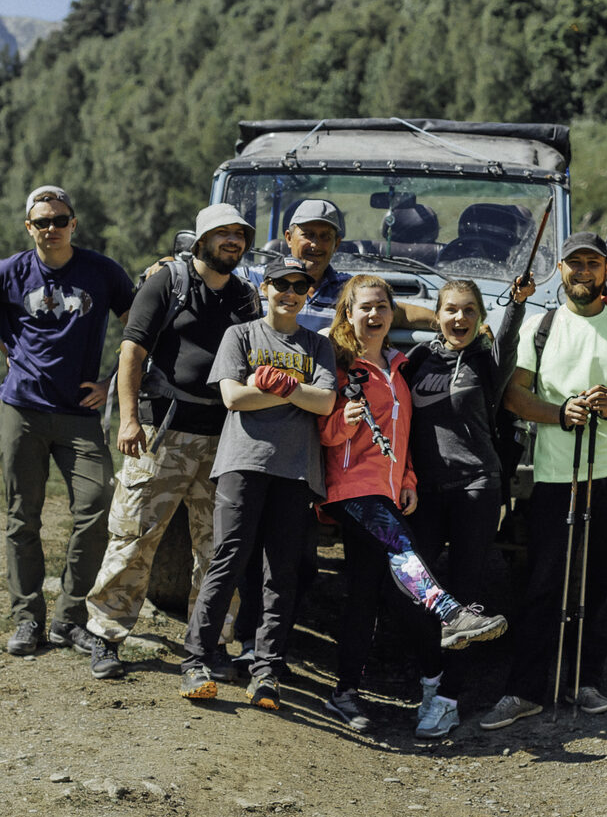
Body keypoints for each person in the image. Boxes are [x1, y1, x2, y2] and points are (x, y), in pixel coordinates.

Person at [0, 185, 134, 658]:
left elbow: (139, 327)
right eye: (42, 221)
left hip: (81, 415)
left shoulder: (102, 271)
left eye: (60, 219)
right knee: (21, 517)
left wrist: (112, 380)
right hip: (22, 410)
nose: (52, 228)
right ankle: (28, 619)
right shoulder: (9, 272)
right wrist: (3, 345)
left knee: (96, 508)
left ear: (74, 223)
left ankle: (70, 620)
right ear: (30, 227)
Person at [481, 233, 607, 730]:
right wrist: (561, 414)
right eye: (574, 263)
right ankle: (525, 691)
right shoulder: (540, 327)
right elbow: (515, 397)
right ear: (559, 270)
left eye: (593, 263)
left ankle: (587, 681)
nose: (583, 271)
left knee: (603, 581)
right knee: (544, 582)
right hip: (557, 475)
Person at [318, 274, 508, 734]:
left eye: (382, 307)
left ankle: (344, 693)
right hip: (350, 489)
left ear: (392, 313)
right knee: (404, 549)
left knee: (365, 591)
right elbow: (325, 436)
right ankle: (449, 612)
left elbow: (404, 439)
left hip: (388, 490)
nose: (374, 314)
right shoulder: (338, 365)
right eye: (364, 307)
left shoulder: (401, 367)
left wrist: (407, 477)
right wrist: (343, 421)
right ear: (348, 313)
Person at [84, 204, 261, 679]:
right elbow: (132, 350)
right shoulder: (167, 281)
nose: (232, 241)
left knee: (218, 547)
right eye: (222, 233)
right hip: (163, 429)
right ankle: (106, 635)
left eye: (239, 234)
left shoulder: (245, 297)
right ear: (201, 239)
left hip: (225, 437)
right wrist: (127, 420)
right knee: (134, 536)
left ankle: (209, 645)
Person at [180, 256, 337, 711]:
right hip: (242, 463)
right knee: (227, 559)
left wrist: (273, 384)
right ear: (264, 288)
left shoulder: (316, 344)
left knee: (281, 572)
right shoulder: (241, 334)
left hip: (296, 470)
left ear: (308, 292)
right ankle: (196, 660)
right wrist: (295, 390)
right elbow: (233, 397)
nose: (290, 293)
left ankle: (266, 670)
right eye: (281, 284)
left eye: (299, 286)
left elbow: (325, 403)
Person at [400, 273, 533, 739]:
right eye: (451, 309)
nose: (459, 318)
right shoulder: (417, 359)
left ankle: (450, 700)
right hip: (426, 490)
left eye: (469, 311)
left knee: (465, 597)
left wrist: (515, 302)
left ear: (480, 318)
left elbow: (511, 332)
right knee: (418, 589)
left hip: (477, 485)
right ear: (437, 316)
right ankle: (430, 680)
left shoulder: (487, 359)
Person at [244, 200, 437, 334]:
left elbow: (402, 315)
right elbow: (216, 281)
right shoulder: (255, 278)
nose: (315, 244)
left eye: (325, 237)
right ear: (288, 238)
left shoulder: (350, 289)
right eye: (307, 234)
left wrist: (448, 322)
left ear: (337, 244)